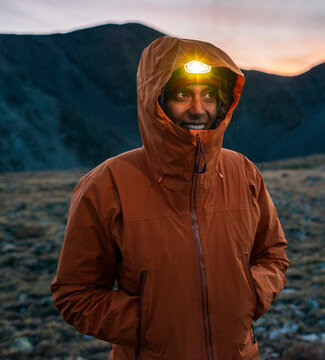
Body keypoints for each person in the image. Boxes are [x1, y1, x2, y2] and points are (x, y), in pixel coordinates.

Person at [50, 36, 289, 360]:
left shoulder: (244, 173)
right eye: (181, 94)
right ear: (155, 100)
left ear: (222, 103)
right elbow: (75, 294)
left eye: (208, 95)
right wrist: (149, 321)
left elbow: (273, 255)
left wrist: (250, 294)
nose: (197, 107)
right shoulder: (107, 185)